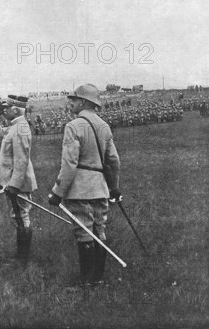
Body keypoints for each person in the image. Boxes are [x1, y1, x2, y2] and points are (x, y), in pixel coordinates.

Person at [48, 84, 121, 286]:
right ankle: (98, 279)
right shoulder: (104, 126)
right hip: (100, 188)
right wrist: (114, 188)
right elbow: (114, 161)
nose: (70, 102)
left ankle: (86, 283)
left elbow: (69, 163)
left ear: (82, 102)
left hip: (80, 189)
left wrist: (57, 192)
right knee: (99, 230)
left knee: (84, 233)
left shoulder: (74, 126)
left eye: (74, 99)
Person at [0, 95, 37, 265]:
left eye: (6, 108)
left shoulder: (21, 128)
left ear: (16, 110)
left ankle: (22, 259)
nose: (4, 111)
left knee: (21, 217)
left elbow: (22, 160)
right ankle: (21, 257)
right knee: (17, 217)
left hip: (17, 184)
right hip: (12, 183)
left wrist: (14, 185)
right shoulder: (15, 127)